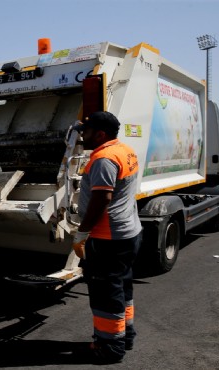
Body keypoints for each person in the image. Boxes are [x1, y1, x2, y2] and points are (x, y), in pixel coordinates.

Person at [72, 111, 142, 364]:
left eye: (86, 132)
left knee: (105, 293)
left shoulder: (103, 159)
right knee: (121, 286)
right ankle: (126, 336)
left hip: (108, 238)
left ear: (100, 134)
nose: (82, 136)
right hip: (128, 233)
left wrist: (83, 232)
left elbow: (103, 198)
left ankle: (110, 347)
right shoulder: (125, 150)